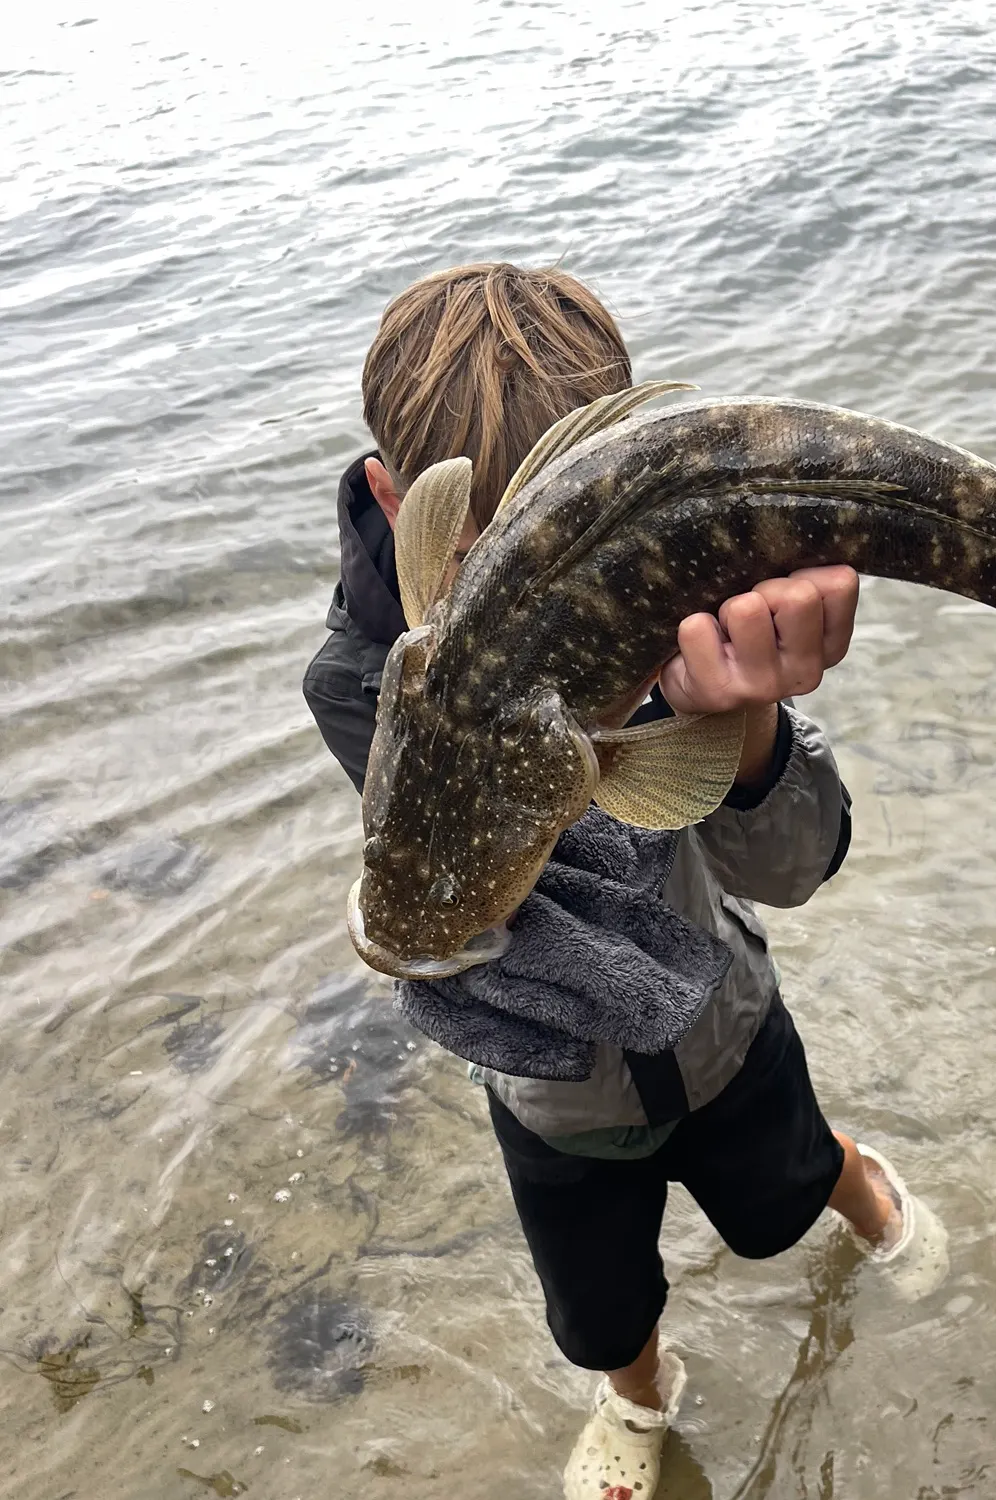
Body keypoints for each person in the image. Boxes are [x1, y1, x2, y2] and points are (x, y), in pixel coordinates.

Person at [303, 262, 948, 1499]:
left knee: (793, 1179)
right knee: (599, 1310)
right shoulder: (355, 683)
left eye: (576, 548)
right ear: (403, 507)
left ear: (632, 489)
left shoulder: (679, 616)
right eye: (497, 553)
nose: (536, 598)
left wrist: (745, 722)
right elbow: (443, 890)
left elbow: (799, 867)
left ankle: (864, 1192)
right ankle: (640, 1400)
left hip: (726, 1027)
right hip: (556, 1098)